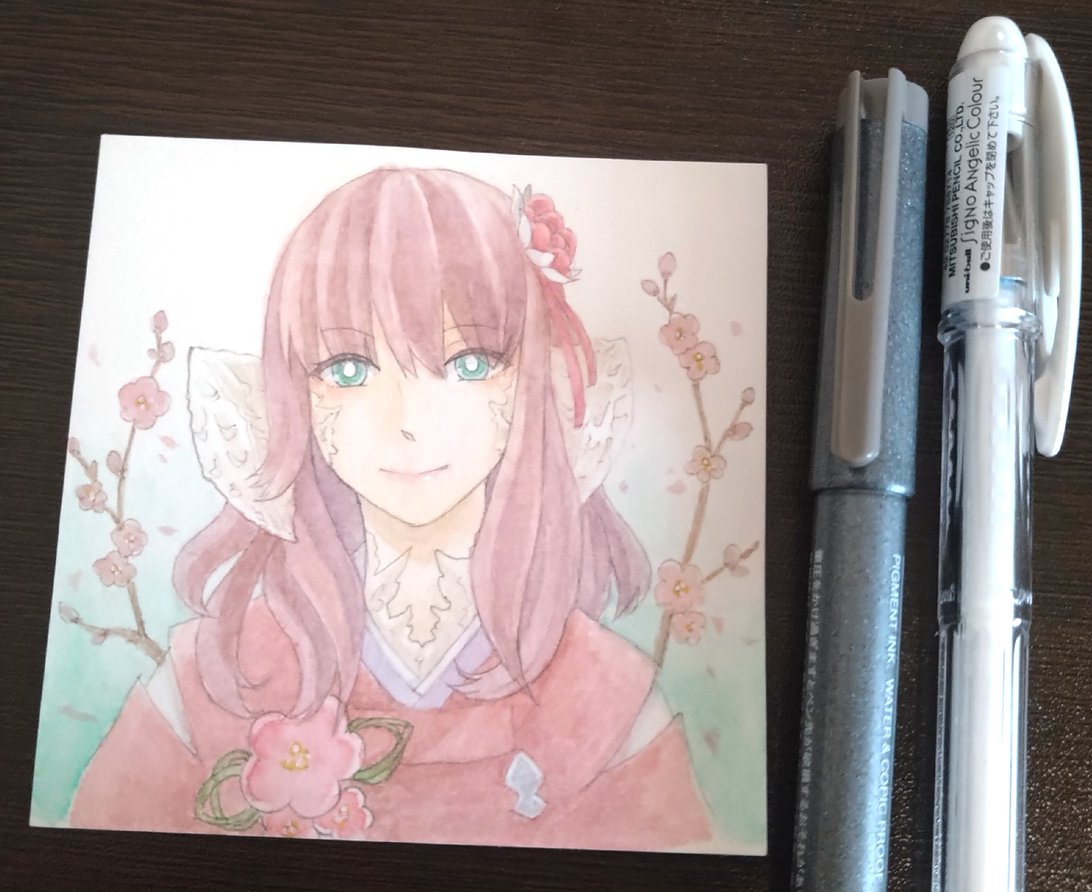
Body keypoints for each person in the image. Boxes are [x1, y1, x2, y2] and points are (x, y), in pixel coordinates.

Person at [69, 168, 713, 849]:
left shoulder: (601, 694)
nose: (408, 421)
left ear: (531, 381)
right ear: (295, 396)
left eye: (470, 363)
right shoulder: (225, 669)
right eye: (347, 369)